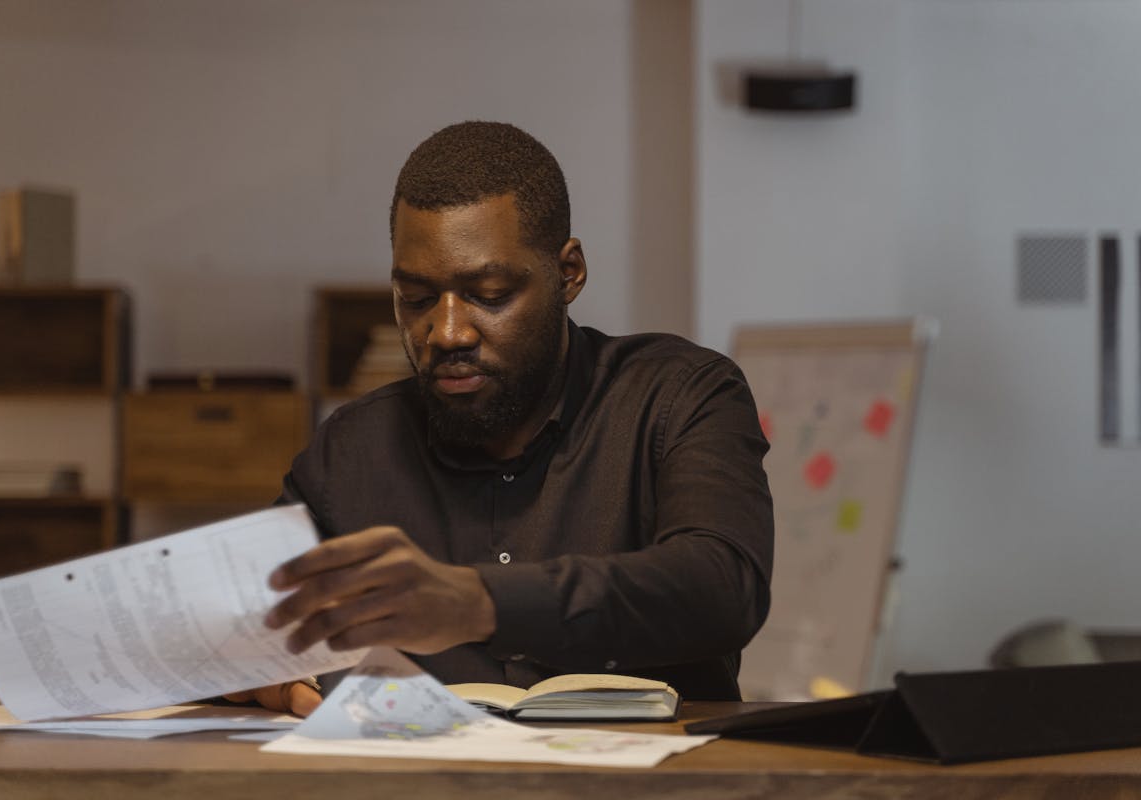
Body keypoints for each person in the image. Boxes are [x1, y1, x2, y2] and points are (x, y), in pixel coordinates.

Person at [227, 121, 773, 717]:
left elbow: (723, 587)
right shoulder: (352, 449)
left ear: (568, 273)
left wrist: (478, 602)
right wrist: (247, 667)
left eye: (488, 294)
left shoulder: (679, 395)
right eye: (416, 299)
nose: (447, 332)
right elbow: (238, 615)